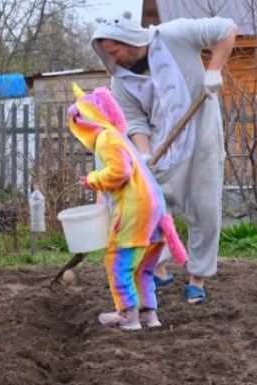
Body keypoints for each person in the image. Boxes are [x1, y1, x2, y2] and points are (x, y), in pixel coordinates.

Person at [90, 12, 237, 304]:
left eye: (115, 51)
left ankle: (198, 278)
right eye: (108, 55)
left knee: (204, 210)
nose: (114, 59)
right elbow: (134, 121)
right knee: (149, 207)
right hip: (161, 144)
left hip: (201, 140)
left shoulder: (176, 34)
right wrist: (144, 155)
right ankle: (160, 267)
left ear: (129, 40)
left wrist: (214, 70)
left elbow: (227, 29)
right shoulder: (120, 79)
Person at [68, 83, 187, 330]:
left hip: (137, 212)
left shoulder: (106, 138)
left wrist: (92, 180)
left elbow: (119, 172)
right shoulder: (120, 138)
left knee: (118, 260)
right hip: (155, 210)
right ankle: (149, 315)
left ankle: (127, 315)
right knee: (143, 268)